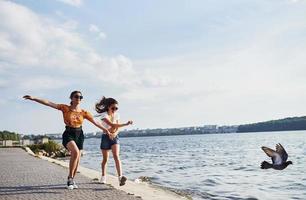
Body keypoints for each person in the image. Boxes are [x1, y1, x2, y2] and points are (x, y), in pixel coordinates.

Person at [23, 91, 110, 190]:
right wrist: (34, 98)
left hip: (79, 135)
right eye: (76, 96)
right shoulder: (65, 108)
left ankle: (72, 179)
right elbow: (49, 103)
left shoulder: (84, 112)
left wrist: (106, 130)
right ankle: (69, 178)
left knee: (77, 158)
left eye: (81, 97)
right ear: (71, 98)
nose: (79, 98)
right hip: (68, 134)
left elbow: (95, 122)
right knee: (75, 152)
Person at [95, 96, 133, 186]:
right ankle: (103, 176)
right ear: (108, 107)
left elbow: (117, 128)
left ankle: (120, 178)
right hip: (105, 137)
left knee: (116, 156)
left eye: (116, 108)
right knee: (105, 159)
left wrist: (114, 134)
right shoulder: (104, 115)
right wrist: (126, 124)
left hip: (115, 137)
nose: (115, 110)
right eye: (113, 108)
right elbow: (112, 124)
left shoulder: (117, 115)